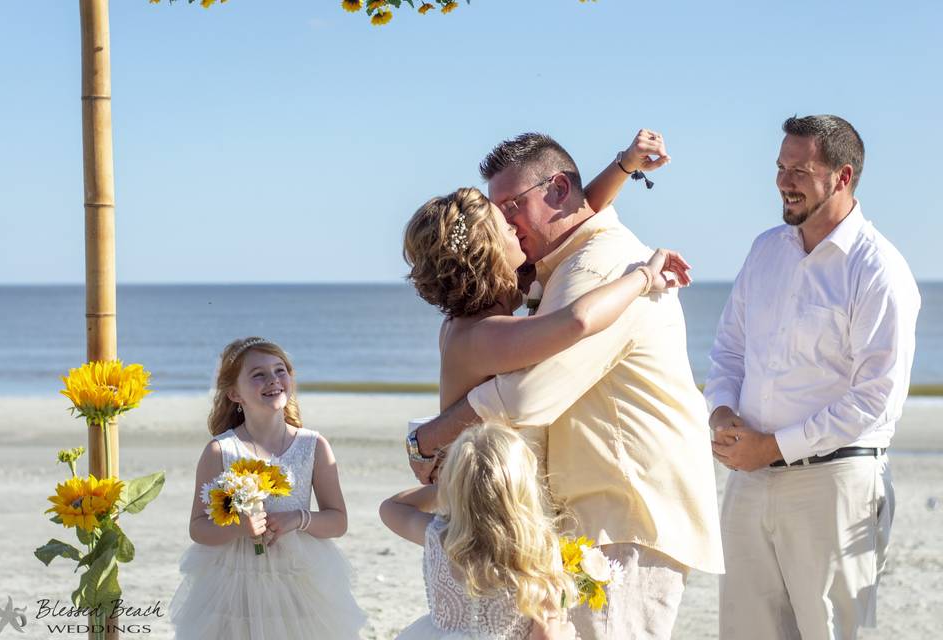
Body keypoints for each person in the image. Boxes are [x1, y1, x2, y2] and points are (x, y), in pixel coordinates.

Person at [407, 131, 724, 639]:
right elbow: (573, 305)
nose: (507, 223)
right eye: (498, 215)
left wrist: (429, 436)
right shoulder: (544, 277)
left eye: (511, 207)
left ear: (556, 190)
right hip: (563, 525)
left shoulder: (600, 264)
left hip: (620, 521)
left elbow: (531, 394)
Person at [705, 114, 922, 639]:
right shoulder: (765, 251)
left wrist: (773, 446)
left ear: (843, 177)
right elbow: (729, 351)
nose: (783, 181)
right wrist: (722, 411)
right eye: (781, 167)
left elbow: (876, 398)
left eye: (799, 170)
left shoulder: (878, 268)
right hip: (749, 483)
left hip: (836, 486)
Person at [169, 337, 365, 639]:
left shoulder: (313, 446)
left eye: (280, 370)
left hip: (300, 574)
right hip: (234, 578)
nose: (273, 380)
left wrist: (298, 518)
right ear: (235, 393)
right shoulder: (220, 451)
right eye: (258, 374)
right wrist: (239, 527)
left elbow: (338, 521)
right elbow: (198, 527)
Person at [381, 423, 577, 639]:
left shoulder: (440, 536)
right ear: (523, 487)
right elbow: (546, 636)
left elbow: (391, 508)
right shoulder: (538, 550)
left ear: (452, 483)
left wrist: (454, 487)